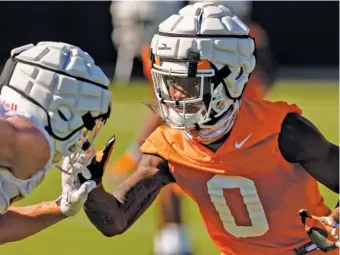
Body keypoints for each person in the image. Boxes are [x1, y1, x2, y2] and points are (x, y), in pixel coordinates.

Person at [79, 3, 339, 255]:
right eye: (169, 82)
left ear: (230, 79)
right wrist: (90, 187)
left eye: (188, 83)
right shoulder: (167, 148)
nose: (175, 95)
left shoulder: (283, 132)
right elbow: (115, 221)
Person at [109, 1, 276, 254]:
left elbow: (171, 100)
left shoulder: (187, 43)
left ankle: (175, 243)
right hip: (227, 122)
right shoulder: (248, 35)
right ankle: (175, 243)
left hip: (224, 125)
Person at [0, 41, 112, 244]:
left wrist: (61, 208)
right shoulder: (33, 143)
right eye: (87, 119)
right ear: (65, 111)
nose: (86, 134)